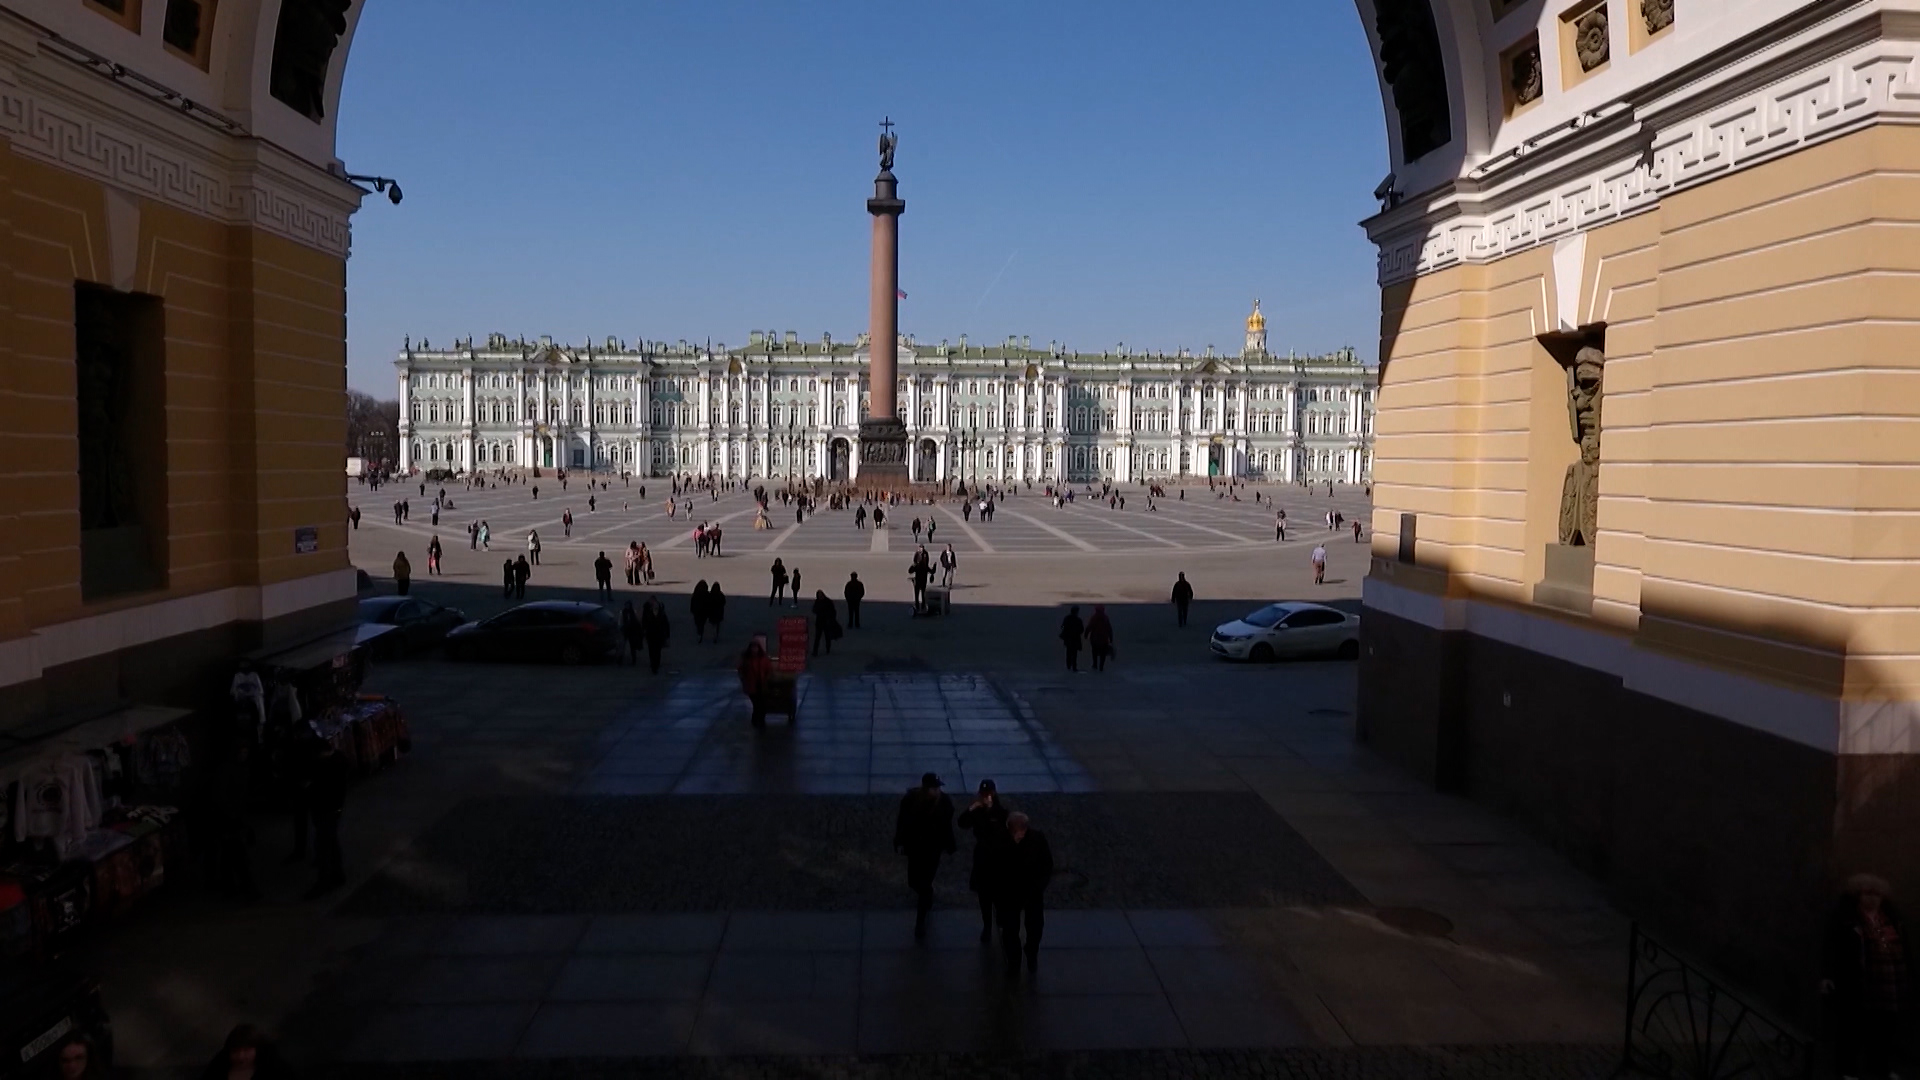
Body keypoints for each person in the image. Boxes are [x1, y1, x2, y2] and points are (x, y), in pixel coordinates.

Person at [1823, 873, 1909, 1080]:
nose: (1873, 898)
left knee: (1884, 1030)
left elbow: (1903, 949)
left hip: (1889, 985)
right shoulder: (1848, 919)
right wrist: (1827, 976)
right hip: (1860, 984)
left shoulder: (1890, 919)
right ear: (1858, 895)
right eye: (1868, 893)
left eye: (1877, 894)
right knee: (1852, 1030)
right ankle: (1847, 1070)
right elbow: (1832, 949)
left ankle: (1879, 1067)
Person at [894, 772, 957, 939]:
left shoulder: (944, 803)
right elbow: (903, 822)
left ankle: (920, 920)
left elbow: (946, 826)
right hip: (915, 848)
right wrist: (899, 841)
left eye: (937, 788)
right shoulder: (911, 801)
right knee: (913, 881)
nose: (937, 791)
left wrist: (949, 844)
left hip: (932, 849)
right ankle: (926, 894)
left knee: (924, 882)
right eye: (933, 788)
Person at [997, 811, 1054, 972]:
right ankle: (1015, 961)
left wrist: (1038, 887)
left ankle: (1031, 951)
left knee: (1035, 927)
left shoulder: (1036, 839)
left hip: (1031, 891)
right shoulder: (1002, 840)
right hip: (1011, 892)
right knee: (1010, 930)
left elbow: (1046, 865)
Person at [956, 779, 1010, 941]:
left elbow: (1003, 831)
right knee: (984, 896)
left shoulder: (1001, 812)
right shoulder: (977, 811)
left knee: (999, 894)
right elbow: (962, 823)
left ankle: (1000, 919)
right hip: (983, 857)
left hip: (998, 857)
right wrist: (973, 808)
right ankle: (987, 926)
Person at [305, 736, 349, 898]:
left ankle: (325, 882)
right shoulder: (337, 763)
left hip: (327, 809)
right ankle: (337, 874)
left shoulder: (328, 768)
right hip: (333, 809)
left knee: (324, 846)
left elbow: (323, 791)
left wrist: (311, 789)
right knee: (331, 842)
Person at [199, 1023, 296, 1080]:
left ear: (257, 1049)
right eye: (235, 1051)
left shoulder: (275, 1070)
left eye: (247, 1050)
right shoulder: (218, 1069)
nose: (241, 1056)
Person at [737, 635, 773, 728]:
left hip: (761, 684)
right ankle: (757, 721)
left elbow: (768, 669)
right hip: (751, 685)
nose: (754, 650)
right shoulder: (746, 659)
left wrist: (767, 678)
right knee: (757, 704)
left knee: (761, 704)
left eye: (756, 647)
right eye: (753, 647)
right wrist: (743, 679)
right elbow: (740, 670)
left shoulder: (763, 658)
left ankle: (759, 720)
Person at [642, 597, 671, 674]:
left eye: (656, 607)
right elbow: (644, 623)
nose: (655, 608)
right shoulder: (649, 613)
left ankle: (656, 664)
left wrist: (667, 635)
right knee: (651, 651)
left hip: (659, 636)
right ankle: (653, 665)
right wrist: (644, 632)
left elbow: (666, 625)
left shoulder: (662, 614)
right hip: (650, 636)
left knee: (657, 651)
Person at [811, 590, 841, 656]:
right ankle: (815, 651)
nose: (820, 596)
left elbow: (833, 611)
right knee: (817, 637)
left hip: (826, 622)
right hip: (819, 622)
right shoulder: (818, 601)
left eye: (821, 595)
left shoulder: (828, 602)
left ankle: (828, 649)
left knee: (827, 637)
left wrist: (831, 618)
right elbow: (814, 609)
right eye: (819, 595)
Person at [1087, 605, 1115, 672]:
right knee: (1103, 653)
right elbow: (1109, 629)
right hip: (1103, 639)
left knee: (1094, 652)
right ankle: (1101, 666)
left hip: (1095, 639)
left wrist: (1086, 633)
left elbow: (1090, 627)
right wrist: (1111, 637)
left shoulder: (1094, 618)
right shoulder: (1105, 618)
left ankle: (1095, 664)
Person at [1059, 605, 1085, 672]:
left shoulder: (1067, 618)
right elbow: (1082, 629)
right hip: (1075, 639)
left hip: (1068, 638)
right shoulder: (1078, 620)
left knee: (1068, 652)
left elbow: (1062, 627)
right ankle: (1074, 667)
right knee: (1074, 653)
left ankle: (1068, 666)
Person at [621, 600, 643, 666]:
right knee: (623, 646)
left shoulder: (632, 612)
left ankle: (633, 660)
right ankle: (621, 659)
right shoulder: (624, 612)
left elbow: (636, 622)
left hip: (631, 631)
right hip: (626, 631)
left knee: (632, 647)